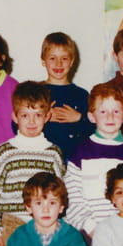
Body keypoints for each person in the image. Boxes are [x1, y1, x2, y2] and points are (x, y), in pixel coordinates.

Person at [0, 81, 65, 246]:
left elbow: (61, 196)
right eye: (25, 115)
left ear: (47, 116)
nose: (32, 121)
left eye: (38, 115)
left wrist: (62, 228)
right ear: (15, 116)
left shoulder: (53, 153)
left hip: (46, 226)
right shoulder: (5, 151)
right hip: (12, 224)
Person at [64, 83, 123, 238]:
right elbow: (72, 198)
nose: (110, 117)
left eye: (116, 111)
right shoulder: (80, 152)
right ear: (91, 116)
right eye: (103, 111)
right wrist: (91, 228)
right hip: (88, 234)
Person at [40, 32, 94, 161]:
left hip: (74, 160)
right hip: (43, 159)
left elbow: (94, 129)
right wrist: (42, 117)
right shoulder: (35, 92)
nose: (58, 63)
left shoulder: (82, 95)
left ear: (72, 61)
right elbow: (17, 124)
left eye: (64, 58)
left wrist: (79, 118)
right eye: (52, 58)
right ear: (43, 61)